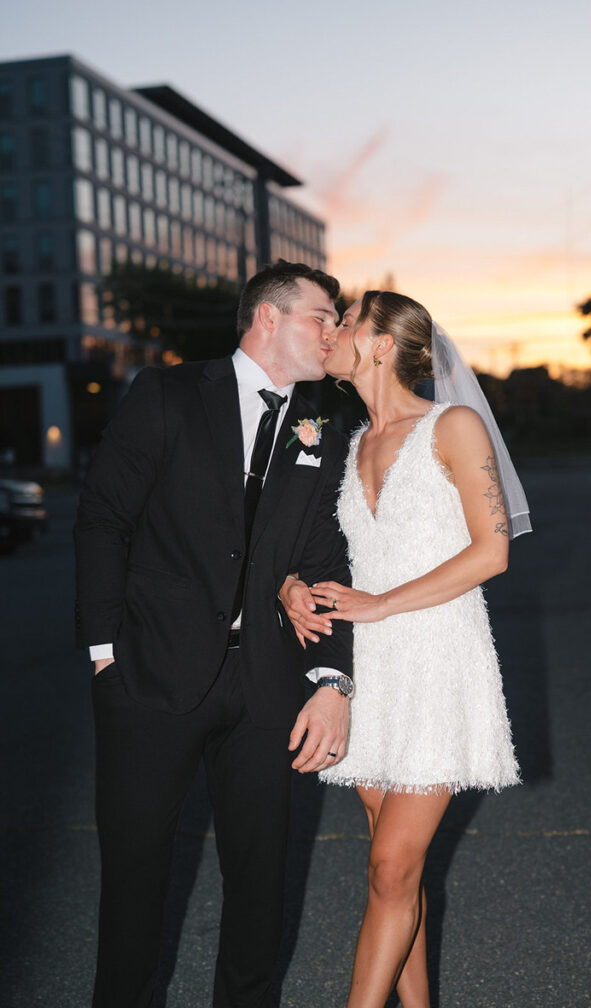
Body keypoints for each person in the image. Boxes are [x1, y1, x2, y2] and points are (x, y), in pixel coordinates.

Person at [74, 260, 355, 1008]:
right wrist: (105, 652)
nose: (335, 330)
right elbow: (105, 519)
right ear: (269, 317)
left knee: (261, 879)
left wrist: (331, 680)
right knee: (135, 878)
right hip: (149, 676)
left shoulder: (328, 421)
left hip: (266, 685)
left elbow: (326, 557)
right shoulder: (167, 394)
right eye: (322, 316)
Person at [280, 290, 531, 1008]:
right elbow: (325, 548)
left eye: (346, 321)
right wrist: (293, 585)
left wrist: (382, 604)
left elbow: (493, 552)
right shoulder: (349, 439)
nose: (331, 331)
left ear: (383, 344)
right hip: (374, 670)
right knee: (396, 873)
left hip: (439, 658)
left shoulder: (453, 426)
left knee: (391, 869)